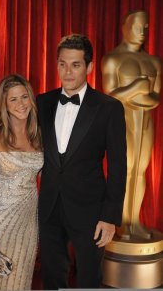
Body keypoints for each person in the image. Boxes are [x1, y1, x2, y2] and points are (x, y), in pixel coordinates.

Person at [36, 34, 127, 289]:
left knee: (89, 279)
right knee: (52, 277)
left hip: (91, 211)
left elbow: (119, 167)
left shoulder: (109, 108)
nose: (67, 71)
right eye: (62, 64)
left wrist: (110, 217)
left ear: (88, 67)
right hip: (50, 207)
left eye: (75, 65)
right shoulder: (42, 102)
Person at [0, 74, 43, 290]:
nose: (21, 104)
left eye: (24, 97)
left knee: (19, 279)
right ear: (4, 104)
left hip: (28, 223)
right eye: (13, 99)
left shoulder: (38, 135)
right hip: (0, 221)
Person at [101, 11, 161, 240]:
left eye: (145, 26)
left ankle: (134, 221)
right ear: (125, 27)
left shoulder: (154, 61)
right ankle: (121, 223)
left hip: (145, 122)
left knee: (140, 171)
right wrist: (137, 87)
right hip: (123, 122)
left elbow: (155, 97)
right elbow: (111, 94)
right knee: (123, 171)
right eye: (137, 26)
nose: (142, 31)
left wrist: (139, 96)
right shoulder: (113, 59)